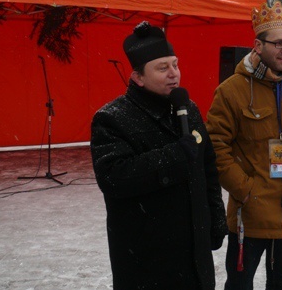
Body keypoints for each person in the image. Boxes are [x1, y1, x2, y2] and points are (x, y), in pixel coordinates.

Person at [90, 21, 227, 290]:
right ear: (138, 77)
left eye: (175, 64)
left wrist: (215, 220)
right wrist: (175, 155)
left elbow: (208, 169)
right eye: (162, 68)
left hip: (194, 255)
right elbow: (114, 178)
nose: (173, 74)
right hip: (146, 256)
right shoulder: (112, 118)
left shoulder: (188, 108)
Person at [206, 1, 282, 290]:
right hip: (251, 215)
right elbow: (216, 149)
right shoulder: (231, 91)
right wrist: (245, 190)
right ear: (258, 46)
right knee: (239, 285)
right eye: (278, 44)